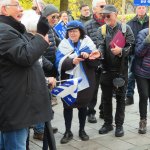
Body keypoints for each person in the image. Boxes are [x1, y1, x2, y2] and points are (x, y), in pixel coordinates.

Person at [0, 0, 55, 149]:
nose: (21, 9)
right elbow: (25, 56)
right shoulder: (3, 30)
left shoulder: (11, 28)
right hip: (14, 107)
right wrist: (40, 35)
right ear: (4, 9)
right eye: (17, 5)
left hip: (16, 104)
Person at [55, 20, 100, 144]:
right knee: (67, 106)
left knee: (83, 106)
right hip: (68, 81)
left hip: (85, 81)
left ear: (80, 32)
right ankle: (67, 131)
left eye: (75, 31)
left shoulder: (88, 43)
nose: (72, 33)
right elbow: (58, 63)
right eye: (70, 31)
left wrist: (88, 56)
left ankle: (82, 130)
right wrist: (71, 62)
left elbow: (96, 63)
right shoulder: (63, 45)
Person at [97, 5, 134, 137]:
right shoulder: (102, 29)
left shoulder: (125, 29)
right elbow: (100, 44)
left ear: (116, 14)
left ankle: (119, 126)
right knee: (106, 99)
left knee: (120, 99)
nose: (106, 18)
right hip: (106, 70)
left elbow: (131, 47)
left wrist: (121, 51)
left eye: (108, 15)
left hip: (121, 70)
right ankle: (108, 123)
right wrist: (99, 52)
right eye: (104, 15)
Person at [85, 0, 106, 123]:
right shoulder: (87, 25)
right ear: (95, 9)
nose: (105, 8)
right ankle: (90, 112)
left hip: (108, 62)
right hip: (93, 64)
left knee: (107, 89)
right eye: (102, 6)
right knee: (93, 89)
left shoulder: (111, 22)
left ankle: (104, 110)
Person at [125, 6, 149, 106]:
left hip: (147, 54)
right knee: (131, 75)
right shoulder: (130, 23)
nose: (141, 9)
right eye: (139, 7)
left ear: (146, 9)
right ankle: (129, 96)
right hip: (135, 52)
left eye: (143, 8)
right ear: (136, 9)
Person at [42, 4, 61, 106]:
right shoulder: (39, 28)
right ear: (46, 16)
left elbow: (58, 42)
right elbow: (37, 52)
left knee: (50, 89)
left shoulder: (50, 28)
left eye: (57, 17)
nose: (55, 19)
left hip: (52, 64)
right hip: (44, 67)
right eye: (53, 17)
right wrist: (49, 64)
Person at [134, 28, 150, 134]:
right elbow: (138, 53)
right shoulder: (143, 33)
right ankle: (143, 120)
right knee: (144, 96)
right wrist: (147, 41)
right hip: (142, 72)